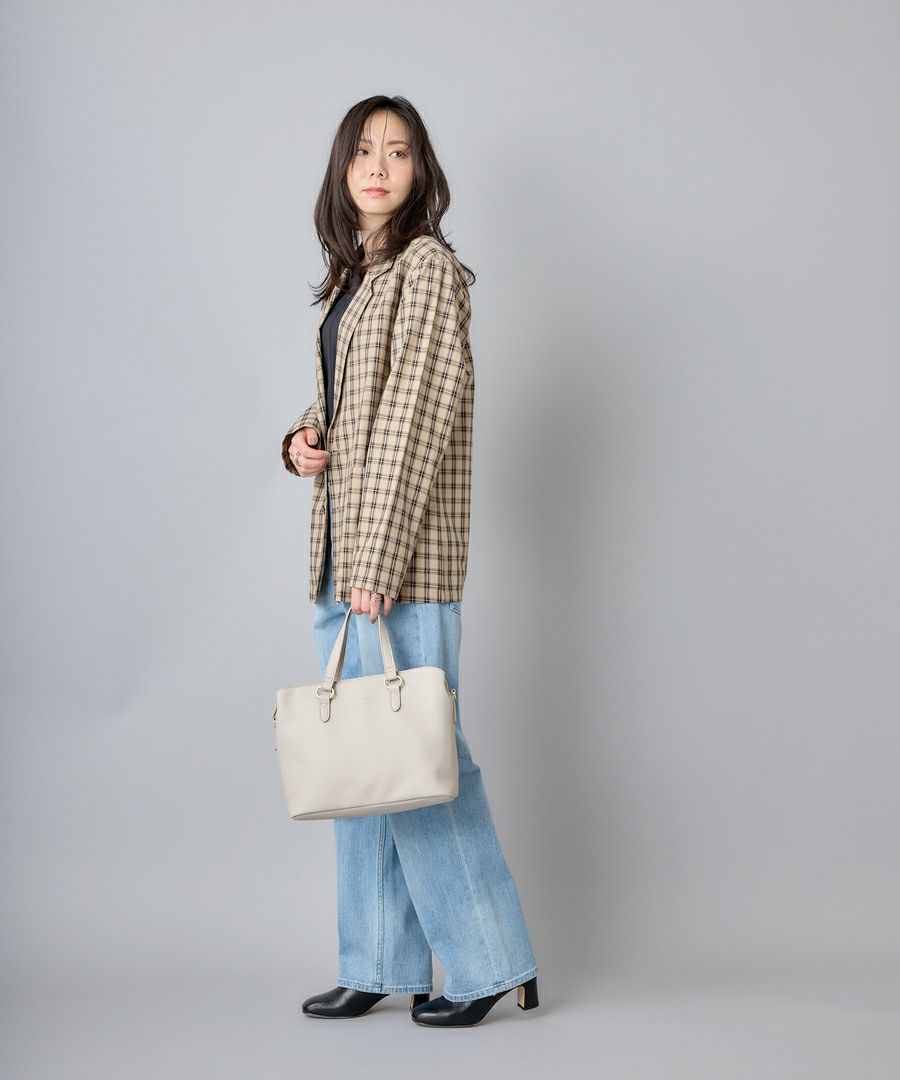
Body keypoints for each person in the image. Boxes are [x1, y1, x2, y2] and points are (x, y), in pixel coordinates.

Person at [280, 95, 539, 1028]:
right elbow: (348, 408)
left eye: (398, 151)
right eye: (363, 151)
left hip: (397, 564)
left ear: (421, 170)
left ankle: (491, 961)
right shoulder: (357, 276)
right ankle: (379, 960)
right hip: (342, 555)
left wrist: (377, 561)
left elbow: (410, 421)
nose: (378, 167)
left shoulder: (428, 270)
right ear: (343, 170)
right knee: (365, 762)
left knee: (424, 758)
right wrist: (301, 440)